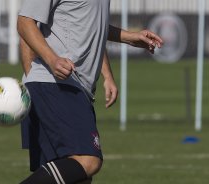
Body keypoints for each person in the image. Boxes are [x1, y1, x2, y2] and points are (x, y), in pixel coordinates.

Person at [17, 1, 163, 184]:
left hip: (74, 88)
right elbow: (25, 22)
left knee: (79, 177)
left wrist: (127, 39)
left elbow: (91, 27)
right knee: (88, 160)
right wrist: (52, 59)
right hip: (54, 85)